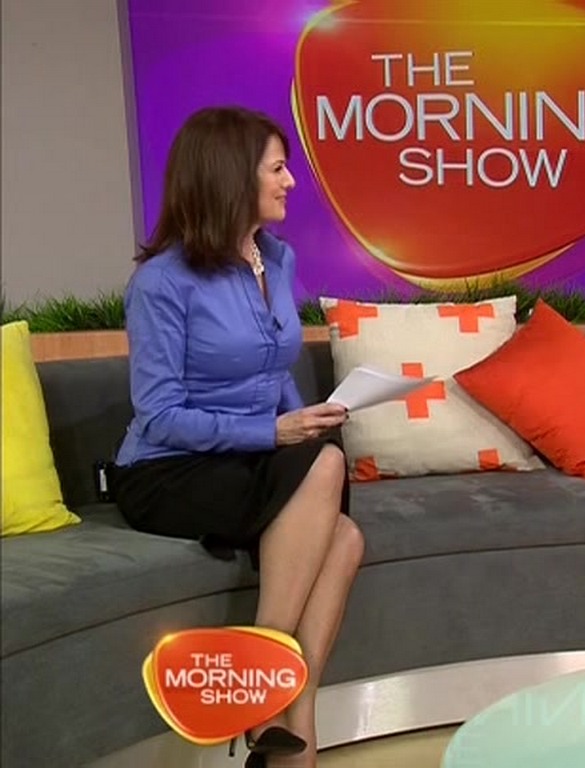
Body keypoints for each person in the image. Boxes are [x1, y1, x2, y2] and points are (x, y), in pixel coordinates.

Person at [112, 106, 364, 768]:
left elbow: (273, 368)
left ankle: (293, 725)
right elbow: (159, 414)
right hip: (168, 469)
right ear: (231, 177)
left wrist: (308, 423)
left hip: (253, 455)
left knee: (344, 527)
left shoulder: (275, 259)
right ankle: (259, 675)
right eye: (277, 168)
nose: (291, 181)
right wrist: (275, 433)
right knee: (323, 476)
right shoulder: (161, 282)